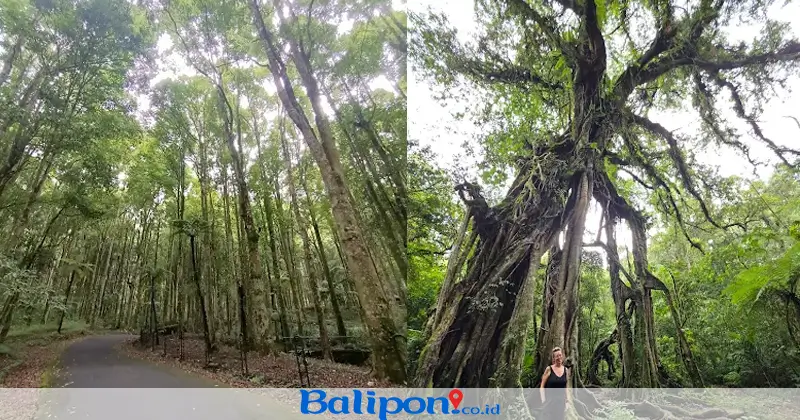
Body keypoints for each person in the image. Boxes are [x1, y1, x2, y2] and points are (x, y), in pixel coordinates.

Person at [539, 347, 570, 420]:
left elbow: (566, 387)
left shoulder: (566, 370)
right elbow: (542, 386)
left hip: (561, 404)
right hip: (549, 403)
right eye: (557, 356)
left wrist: (567, 401)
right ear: (553, 358)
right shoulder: (549, 369)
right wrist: (543, 400)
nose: (559, 357)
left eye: (560, 355)